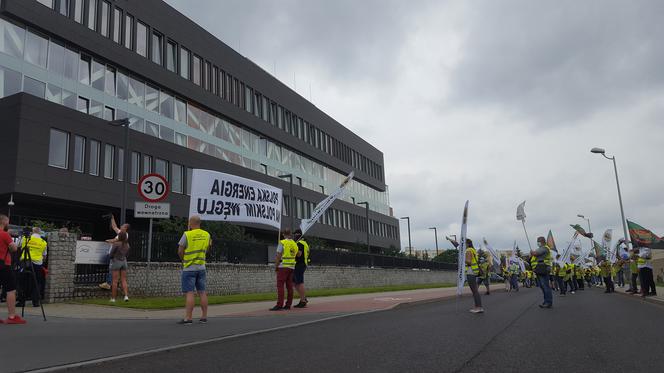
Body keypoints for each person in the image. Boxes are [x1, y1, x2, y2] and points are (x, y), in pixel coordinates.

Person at [177, 215, 211, 324]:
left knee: (190, 292)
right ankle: (204, 317)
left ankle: (188, 318)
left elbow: (180, 250)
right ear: (199, 223)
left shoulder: (187, 234)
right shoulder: (207, 234)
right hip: (201, 267)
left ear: (190, 223)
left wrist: (184, 260)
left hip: (189, 268)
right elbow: (208, 247)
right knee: (202, 292)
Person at [0, 215, 27, 324]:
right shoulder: (4, 234)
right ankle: (12, 316)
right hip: (3, 264)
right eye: (8, 222)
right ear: (4, 222)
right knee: (10, 289)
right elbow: (14, 248)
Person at [17, 227, 47, 307]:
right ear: (40, 233)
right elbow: (44, 256)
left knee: (22, 282)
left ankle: (21, 301)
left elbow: (17, 245)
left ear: (32, 232)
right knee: (36, 282)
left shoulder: (25, 238)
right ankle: (36, 302)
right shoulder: (43, 242)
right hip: (37, 264)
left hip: (25, 262)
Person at [99, 215, 130, 290]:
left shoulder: (125, 235)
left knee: (111, 269)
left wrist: (108, 241)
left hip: (116, 255)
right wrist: (112, 218)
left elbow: (115, 240)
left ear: (125, 228)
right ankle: (111, 283)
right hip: (115, 255)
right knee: (112, 269)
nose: (121, 226)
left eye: (123, 226)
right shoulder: (121, 233)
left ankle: (109, 284)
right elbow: (114, 227)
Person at [270, 229, 298, 311]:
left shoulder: (282, 242)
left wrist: (276, 266)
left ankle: (279, 304)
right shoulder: (294, 243)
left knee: (280, 286)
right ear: (290, 234)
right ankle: (288, 305)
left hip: (283, 266)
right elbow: (298, 254)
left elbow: (278, 256)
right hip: (292, 267)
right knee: (289, 286)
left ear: (283, 234)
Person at [531, 236, 553, 309]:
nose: (537, 242)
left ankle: (548, 302)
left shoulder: (545, 248)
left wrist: (532, 252)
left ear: (542, 241)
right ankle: (546, 301)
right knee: (542, 286)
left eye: (538, 241)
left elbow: (535, 253)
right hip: (539, 269)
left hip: (544, 268)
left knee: (545, 286)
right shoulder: (541, 248)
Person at [109, 232, 130, 303]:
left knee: (115, 281)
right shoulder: (127, 244)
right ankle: (126, 296)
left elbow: (111, 253)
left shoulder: (116, 244)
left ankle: (113, 298)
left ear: (119, 236)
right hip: (124, 262)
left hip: (116, 261)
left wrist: (111, 257)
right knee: (123, 280)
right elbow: (127, 254)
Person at [465, 239, 483, 313]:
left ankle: (478, 307)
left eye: (464, 243)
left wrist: (463, 259)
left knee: (474, 291)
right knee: (475, 290)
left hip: (470, 271)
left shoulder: (468, 250)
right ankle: (478, 306)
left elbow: (469, 261)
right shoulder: (473, 250)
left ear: (467, 244)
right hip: (474, 271)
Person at [292, 229, 310, 308]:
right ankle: (303, 298)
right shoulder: (305, 243)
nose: (294, 236)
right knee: (294, 282)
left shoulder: (299, 243)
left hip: (299, 264)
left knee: (299, 282)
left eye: (295, 235)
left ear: (297, 235)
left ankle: (303, 300)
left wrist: (292, 250)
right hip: (302, 264)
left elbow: (299, 254)